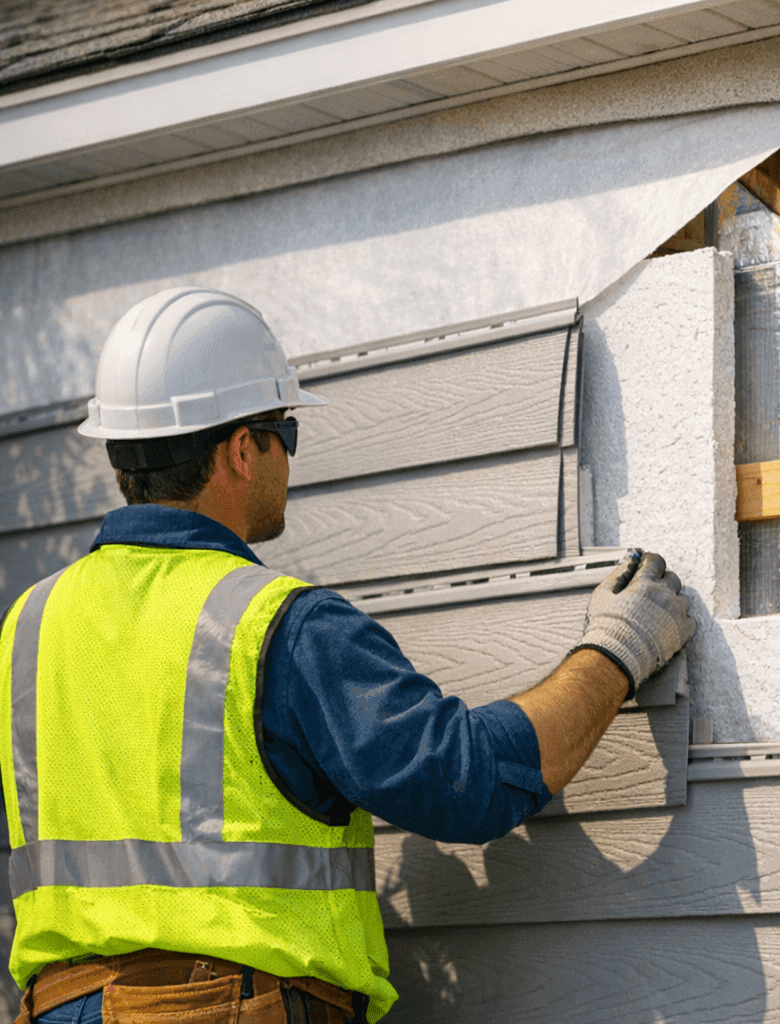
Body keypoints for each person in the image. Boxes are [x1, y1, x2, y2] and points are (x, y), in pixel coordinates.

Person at [0, 287, 695, 1024]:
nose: (290, 458)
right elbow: (467, 781)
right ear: (241, 450)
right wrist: (615, 650)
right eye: (286, 431)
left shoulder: (28, 628)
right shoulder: (277, 626)